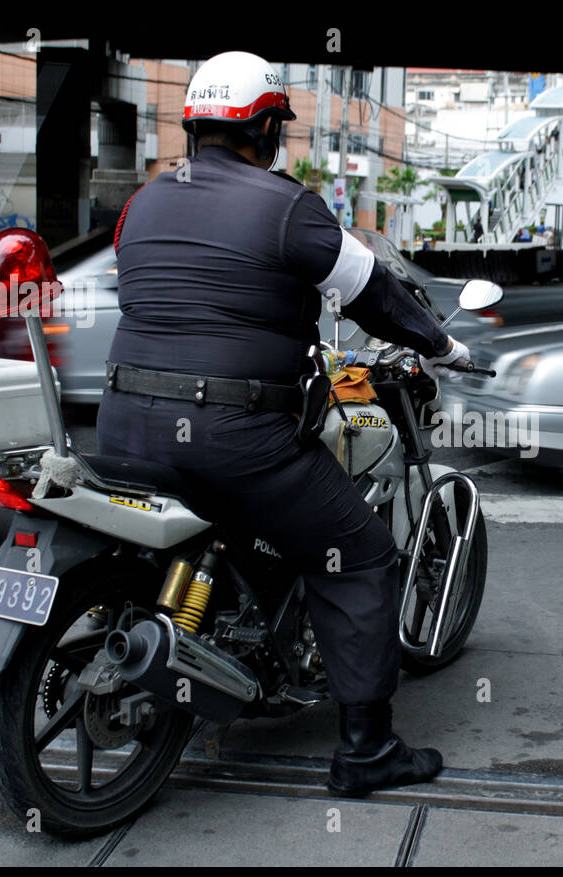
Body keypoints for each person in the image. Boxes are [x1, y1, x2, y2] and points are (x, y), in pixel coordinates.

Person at [97, 52, 471, 797]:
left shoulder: (143, 203)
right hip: (235, 437)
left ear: (194, 124)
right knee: (360, 554)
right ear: (266, 127)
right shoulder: (285, 204)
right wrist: (440, 343)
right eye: (277, 129)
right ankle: (367, 752)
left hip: (123, 427)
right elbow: (372, 291)